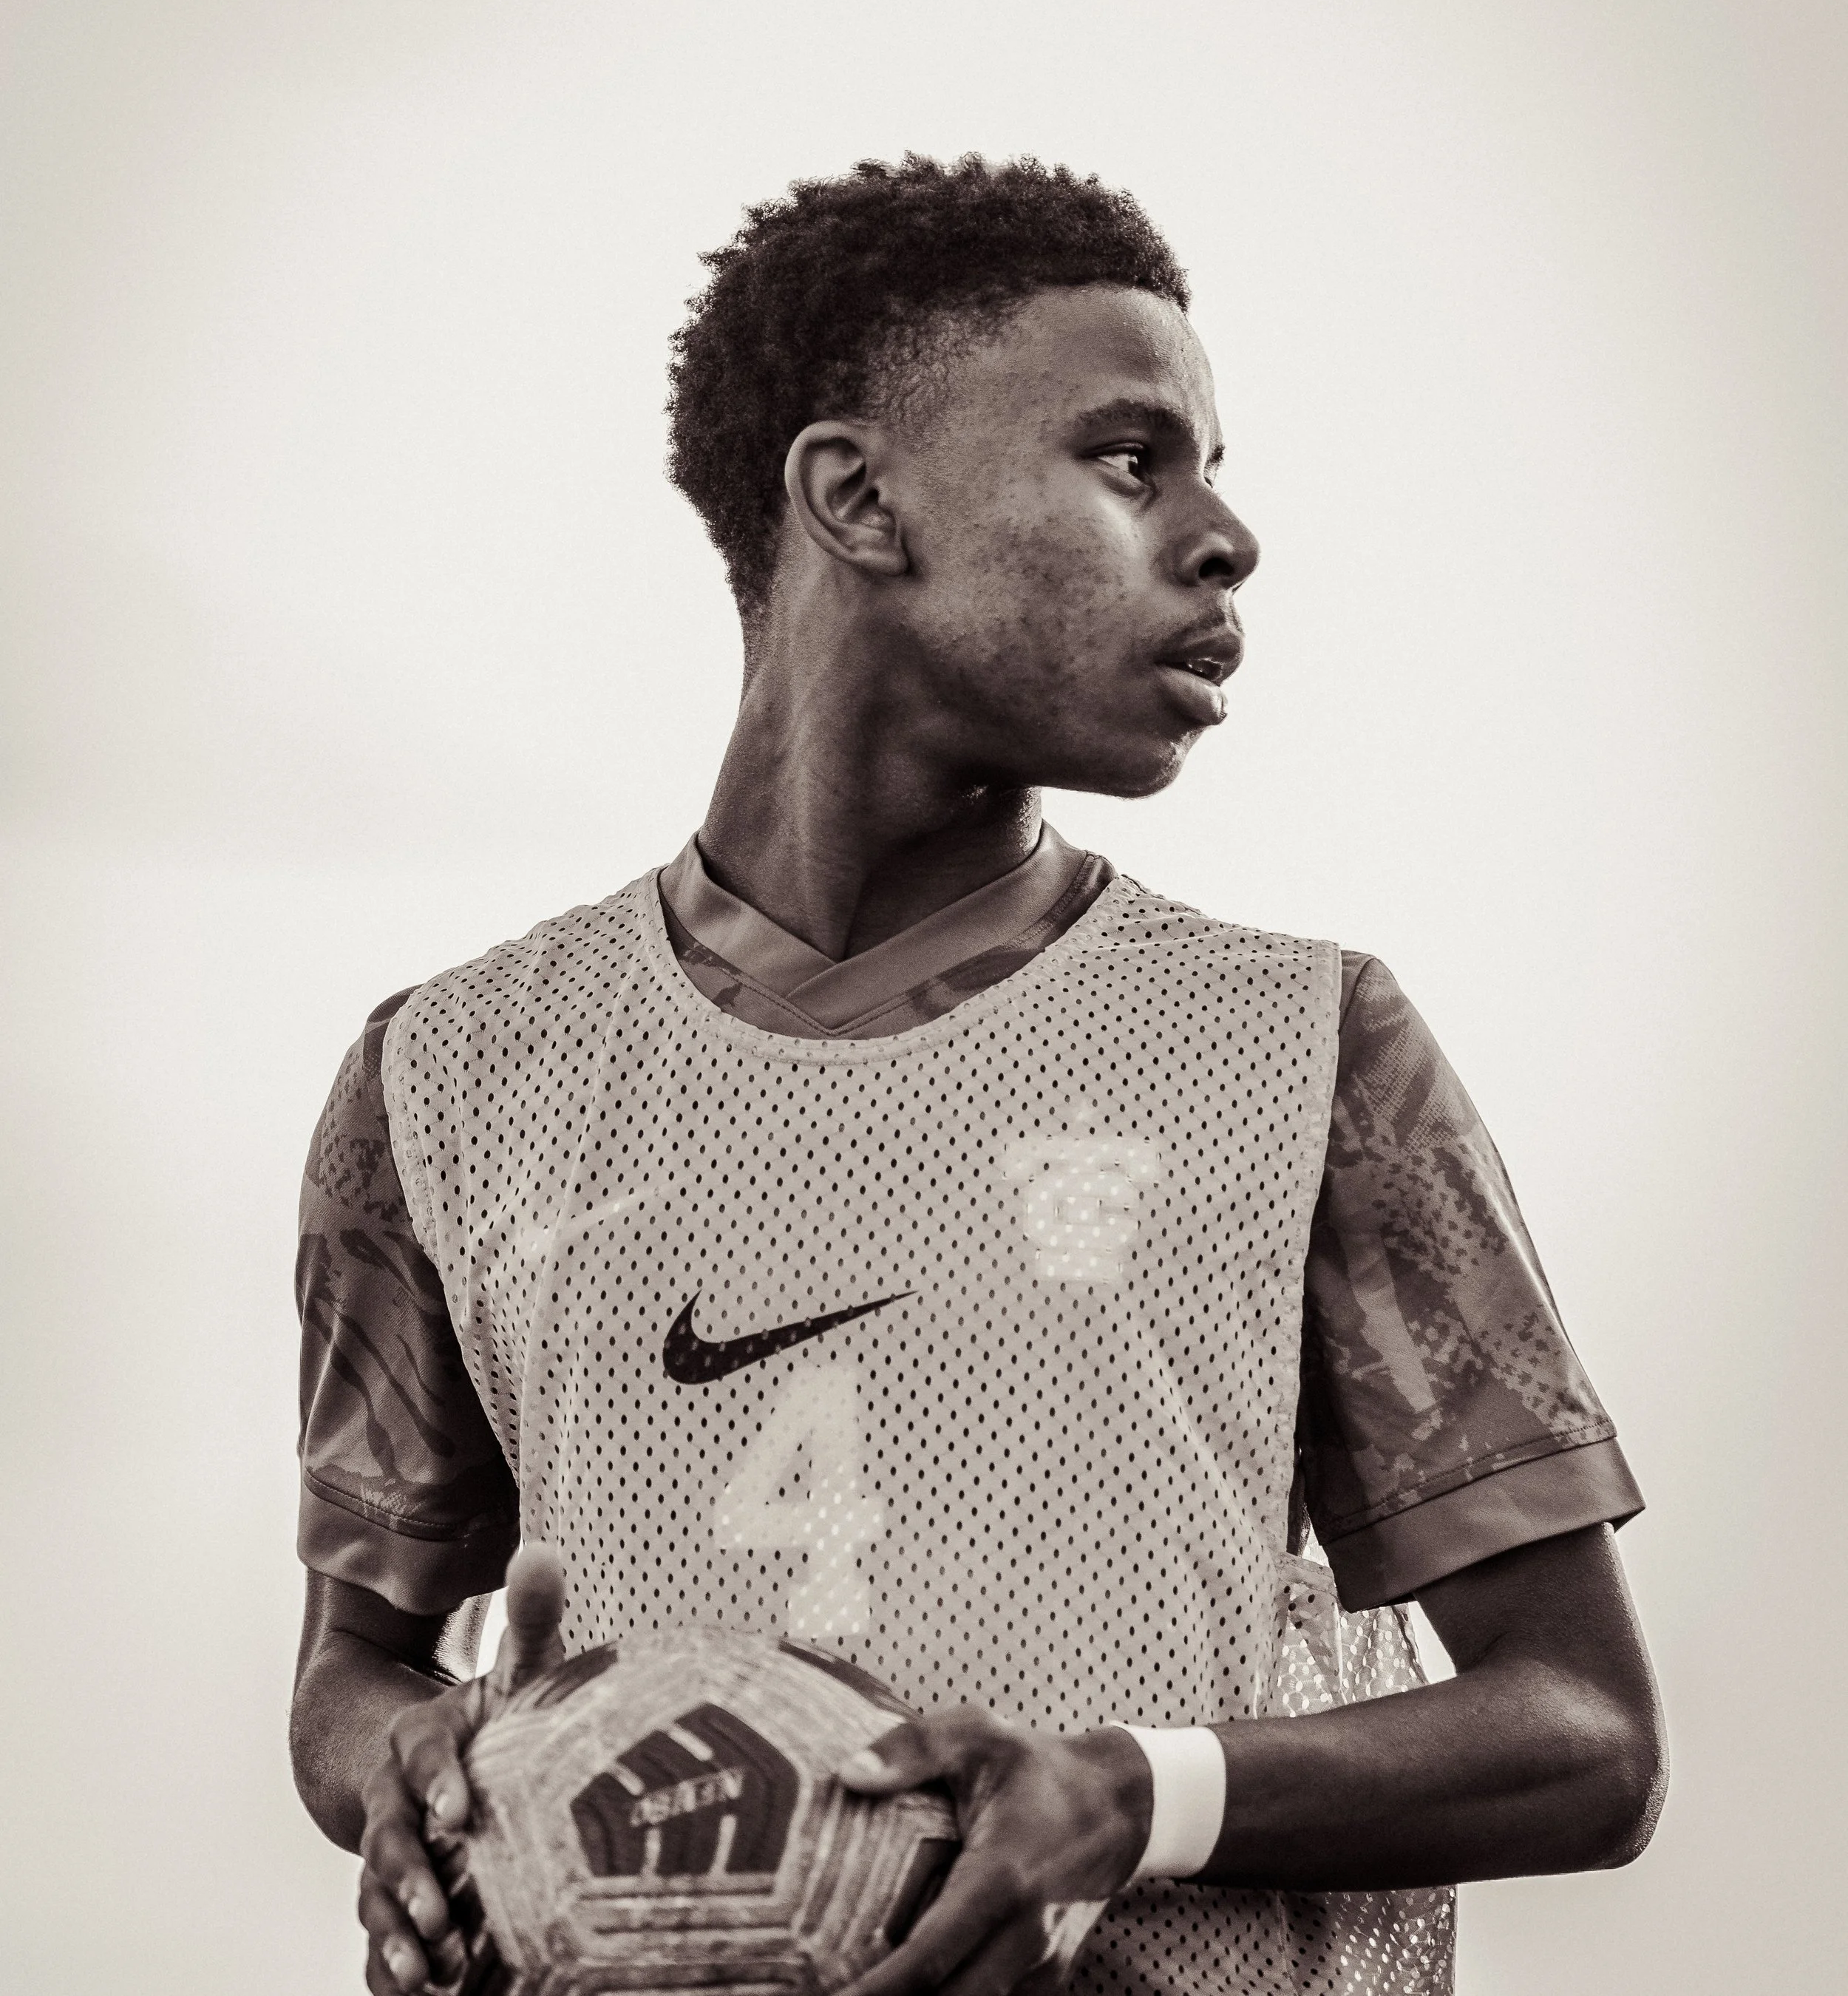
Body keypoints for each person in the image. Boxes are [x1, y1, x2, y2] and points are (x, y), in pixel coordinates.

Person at [291, 155, 1665, 1996]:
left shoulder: (1311, 1050)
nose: (1223, 533)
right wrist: (417, 1767)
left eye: (1209, 465)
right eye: (1130, 458)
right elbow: (344, 1678)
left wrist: (1129, 1794)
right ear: (856, 498)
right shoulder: (444, 1077)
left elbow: (1582, 1728)